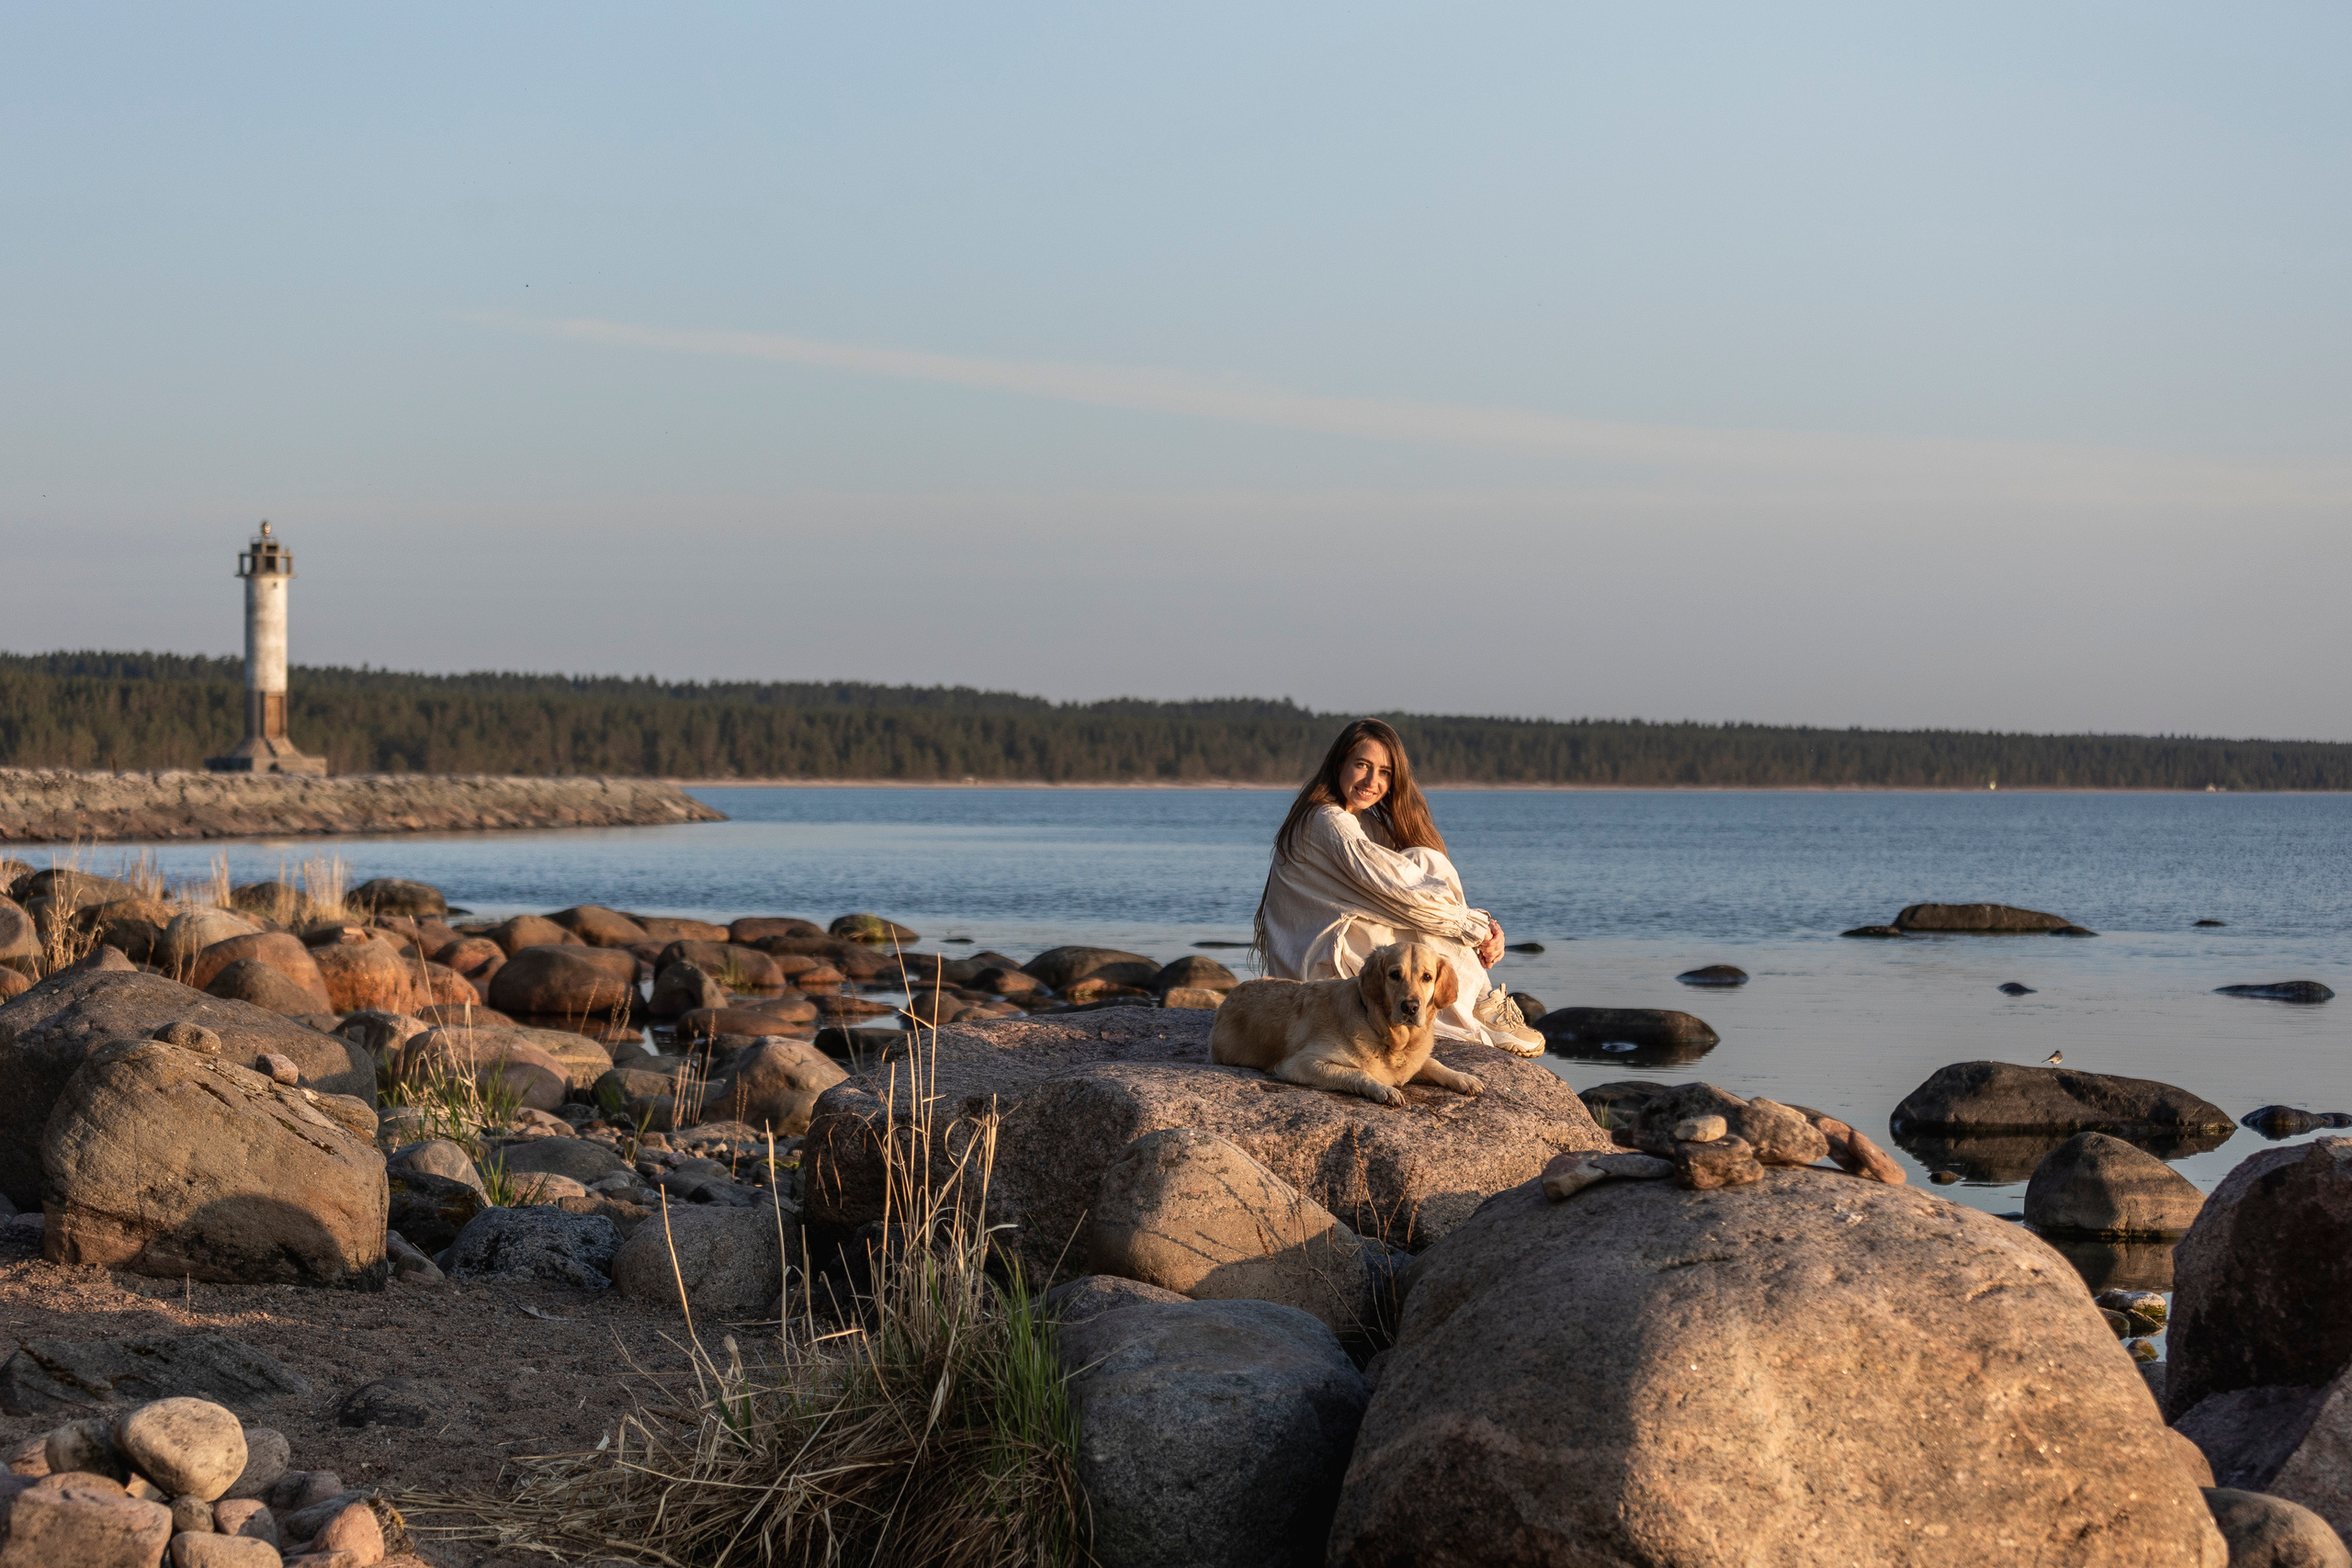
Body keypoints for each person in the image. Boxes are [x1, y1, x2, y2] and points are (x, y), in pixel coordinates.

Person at [1252, 717, 1545, 1055]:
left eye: (1384, 772)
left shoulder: (1361, 824)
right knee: (1426, 868)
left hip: (1332, 961)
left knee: (1423, 860)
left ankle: (1481, 1000)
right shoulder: (1327, 821)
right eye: (1362, 765)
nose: (1371, 781)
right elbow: (1403, 895)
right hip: (1323, 976)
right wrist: (1475, 929)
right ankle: (1481, 1003)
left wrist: (1483, 927)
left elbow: (1410, 885)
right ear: (1339, 764)